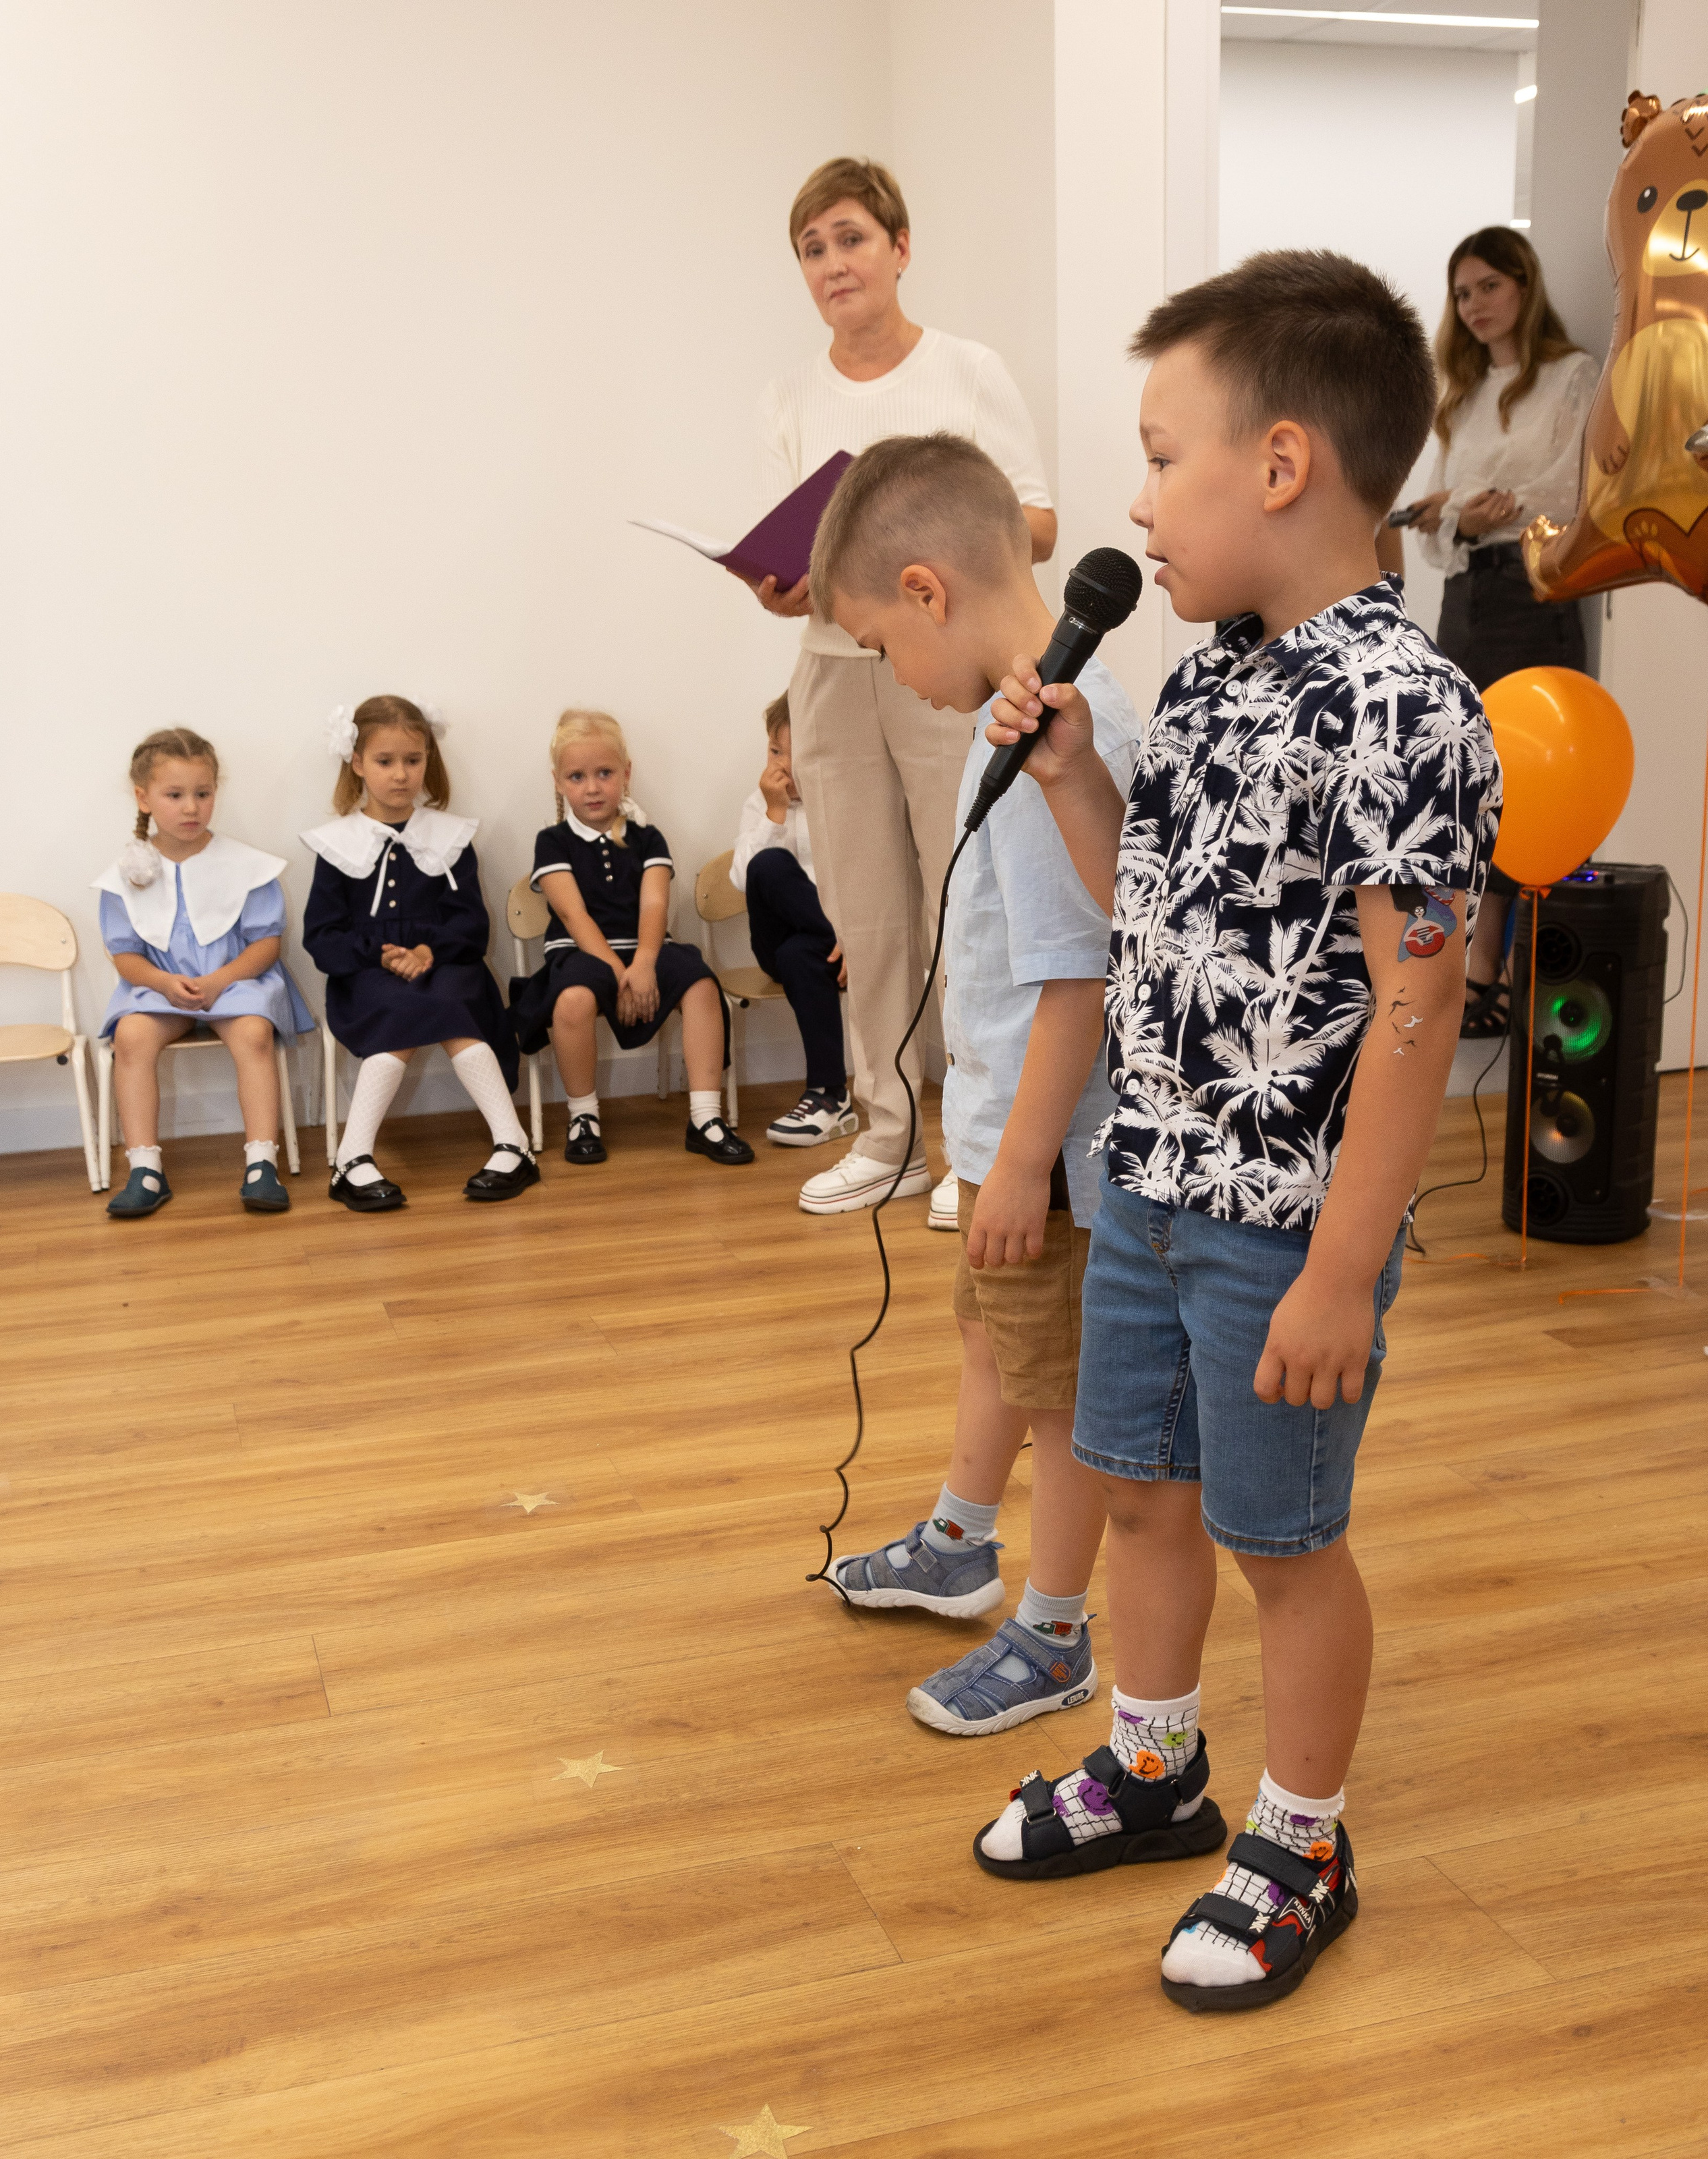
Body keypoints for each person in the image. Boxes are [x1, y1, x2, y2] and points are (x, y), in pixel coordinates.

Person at [974, 252, 1499, 2010]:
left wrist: (1342, 1269)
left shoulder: (1405, 705)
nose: (1132, 501)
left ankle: (1302, 1838)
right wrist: (1073, 776)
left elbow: (1418, 1004)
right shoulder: (1211, 676)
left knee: (1282, 1539)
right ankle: (1154, 1764)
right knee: (1140, 1497)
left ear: (1280, 466)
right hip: (1148, 1178)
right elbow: (1149, 908)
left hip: (1283, 1223)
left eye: (1157, 455)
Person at [809, 434, 1140, 1738]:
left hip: (1050, 1157)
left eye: (882, 645)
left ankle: (1054, 1631)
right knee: (991, 1337)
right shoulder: (1019, 712)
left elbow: (1081, 977)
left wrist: (1019, 1167)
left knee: (1060, 1394)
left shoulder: (1066, 735)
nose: (894, 673)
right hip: (1011, 1139)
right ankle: (959, 1541)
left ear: (927, 591)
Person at [753, 155, 1056, 1225]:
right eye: (813, 248)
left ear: (900, 248)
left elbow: (1037, 524)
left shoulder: (969, 372)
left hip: (947, 671)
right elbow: (795, 566)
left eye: (850, 238)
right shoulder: (789, 395)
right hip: (832, 672)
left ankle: (979, 1141)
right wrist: (783, 586)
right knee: (868, 917)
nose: (833, 263)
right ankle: (889, 1140)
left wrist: (920, 538)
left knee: (967, 901)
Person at [1406, 227, 1595, 1036]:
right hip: (1465, 598)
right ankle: (1474, 967)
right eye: (1461, 293)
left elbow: (1570, 488)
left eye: (1488, 285)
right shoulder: (1460, 395)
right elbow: (1431, 524)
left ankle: (1506, 972)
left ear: (1523, 283)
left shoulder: (1570, 374)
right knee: (1465, 782)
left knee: (1527, 782)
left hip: (1531, 589)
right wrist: (1459, 514)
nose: (1474, 305)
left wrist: (1464, 507)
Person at [302, 696, 534, 1211]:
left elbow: (471, 922)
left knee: (454, 1003)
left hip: (448, 965)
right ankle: (352, 1157)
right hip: (368, 974)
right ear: (357, 763)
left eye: (413, 760)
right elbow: (323, 937)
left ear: (429, 760)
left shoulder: (450, 838)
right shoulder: (337, 846)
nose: (401, 774)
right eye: (385, 761)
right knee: (397, 1007)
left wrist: (430, 950)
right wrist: (381, 955)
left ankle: (512, 1144)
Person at [513, 710, 752, 1167]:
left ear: (626, 773)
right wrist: (619, 973)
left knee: (701, 984)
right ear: (558, 782)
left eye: (604, 773)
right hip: (579, 952)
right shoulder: (553, 841)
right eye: (577, 776)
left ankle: (705, 1117)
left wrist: (643, 963)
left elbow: (654, 905)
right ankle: (583, 1117)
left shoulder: (647, 837)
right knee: (573, 1001)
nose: (593, 787)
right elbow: (573, 914)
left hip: (646, 947)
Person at [94, 727, 314, 1218]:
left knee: (254, 1033)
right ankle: (145, 1169)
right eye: (175, 795)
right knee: (131, 1037)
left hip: (235, 983)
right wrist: (162, 982)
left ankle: (262, 1163)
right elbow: (125, 955)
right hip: (160, 988)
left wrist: (219, 981)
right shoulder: (127, 874)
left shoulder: (245, 865)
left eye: (203, 793)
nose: (191, 807)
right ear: (144, 798)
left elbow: (266, 943)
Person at [729, 692, 855, 1147]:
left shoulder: (846, 802)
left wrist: (855, 937)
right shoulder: (759, 805)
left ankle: (829, 1096)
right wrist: (775, 815)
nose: (783, 766)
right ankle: (836, 937)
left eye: (796, 754)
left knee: (800, 955)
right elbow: (742, 878)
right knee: (767, 865)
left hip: (822, 952)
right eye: (775, 751)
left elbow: (866, 878)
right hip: (780, 941)